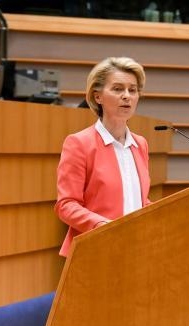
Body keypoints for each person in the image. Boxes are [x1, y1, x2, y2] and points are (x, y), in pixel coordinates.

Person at [55, 57, 152, 256]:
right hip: (96, 250)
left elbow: (139, 200)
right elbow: (66, 205)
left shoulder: (140, 144)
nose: (127, 96)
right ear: (97, 96)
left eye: (132, 90)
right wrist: (102, 225)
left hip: (137, 249)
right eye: (117, 89)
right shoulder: (79, 143)